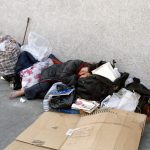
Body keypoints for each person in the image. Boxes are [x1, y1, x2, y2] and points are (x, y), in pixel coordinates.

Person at [10, 59, 96, 99]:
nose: (81, 73)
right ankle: (23, 91)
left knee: (50, 95)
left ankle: (31, 92)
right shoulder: (75, 63)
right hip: (51, 73)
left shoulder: (84, 73)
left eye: (84, 74)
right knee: (44, 85)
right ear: (85, 66)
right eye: (83, 71)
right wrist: (76, 77)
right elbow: (63, 77)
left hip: (57, 81)